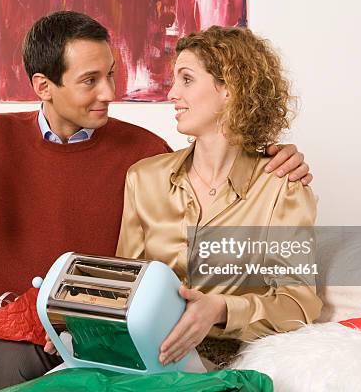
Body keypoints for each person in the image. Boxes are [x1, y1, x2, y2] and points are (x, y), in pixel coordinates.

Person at [0, 12, 312, 391]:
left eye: (111, 73)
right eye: (90, 80)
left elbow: (149, 267)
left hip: (58, 341)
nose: (110, 93)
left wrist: (270, 157)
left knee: (15, 354)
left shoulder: (144, 156)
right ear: (44, 86)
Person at [115, 26, 323, 368]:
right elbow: (125, 286)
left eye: (186, 79)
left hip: (224, 362)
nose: (171, 94)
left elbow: (299, 302)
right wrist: (77, 321)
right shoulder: (143, 178)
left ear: (229, 89)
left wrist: (221, 310)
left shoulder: (282, 186)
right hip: (143, 353)